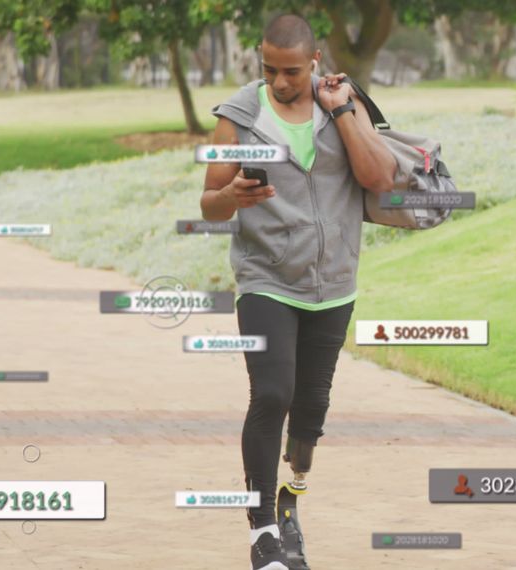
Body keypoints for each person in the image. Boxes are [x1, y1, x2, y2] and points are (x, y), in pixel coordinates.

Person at [200, 13, 396, 570]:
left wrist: (342, 111)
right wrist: (232, 194)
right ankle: (263, 532)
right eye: (269, 69)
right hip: (266, 280)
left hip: (334, 284)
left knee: (310, 411)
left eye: (290, 71)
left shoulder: (342, 106)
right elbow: (208, 203)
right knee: (272, 395)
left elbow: (380, 178)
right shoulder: (237, 116)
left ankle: (292, 498)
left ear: (313, 62)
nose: (280, 82)